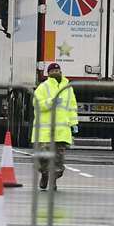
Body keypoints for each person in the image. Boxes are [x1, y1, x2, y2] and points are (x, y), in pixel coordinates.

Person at [33, 62, 78, 190]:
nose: (55, 74)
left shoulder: (68, 88)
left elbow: (72, 107)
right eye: (52, 72)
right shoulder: (43, 87)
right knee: (42, 159)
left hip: (61, 132)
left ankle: (53, 181)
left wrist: (74, 123)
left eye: (57, 71)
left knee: (58, 162)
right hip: (45, 132)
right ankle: (45, 175)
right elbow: (37, 104)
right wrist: (51, 101)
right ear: (48, 74)